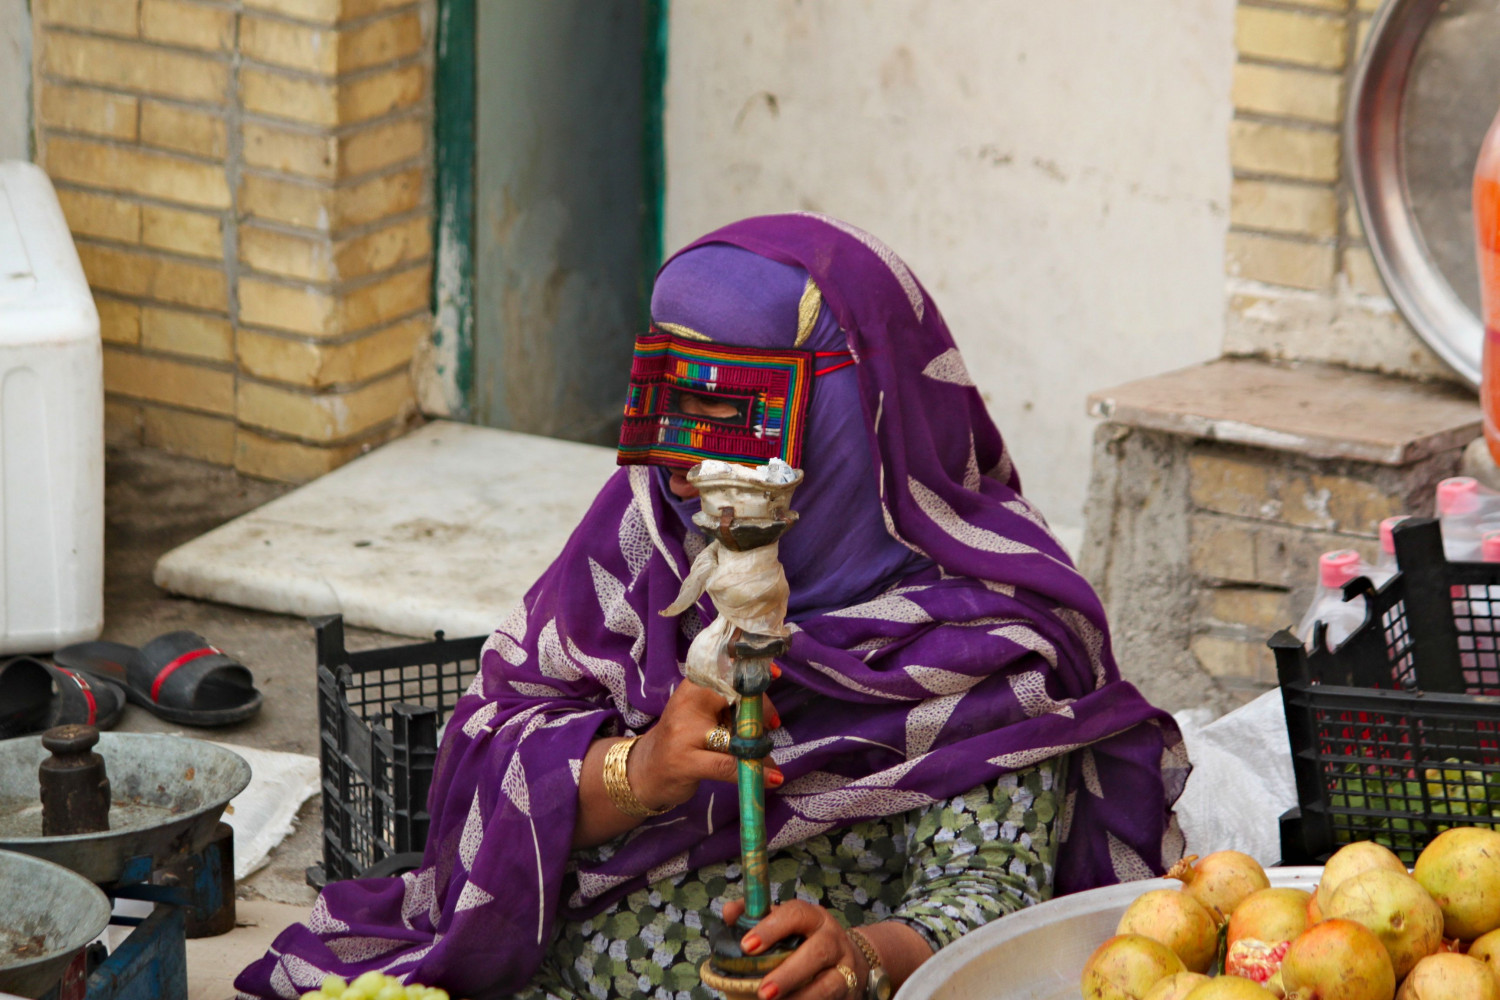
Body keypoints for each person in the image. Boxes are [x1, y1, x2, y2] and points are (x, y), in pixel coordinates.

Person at [236, 214, 1187, 1000]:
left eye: (734, 414)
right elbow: (491, 747)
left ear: (856, 416)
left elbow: (994, 902)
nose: (686, 466)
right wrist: (635, 769)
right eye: (668, 406)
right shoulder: (645, 541)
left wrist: (862, 958)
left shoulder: (989, 633)